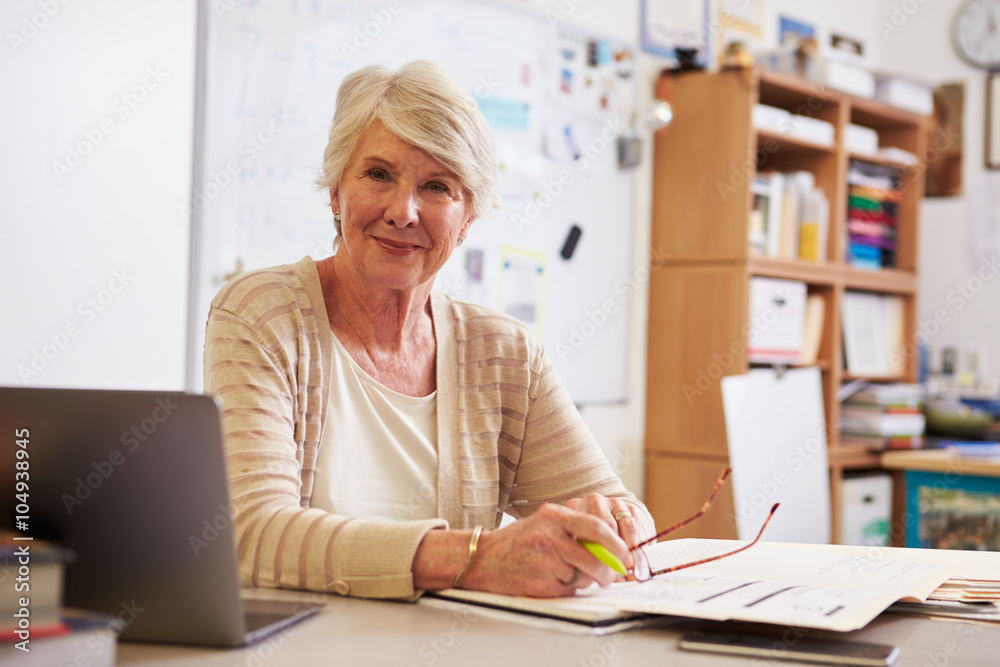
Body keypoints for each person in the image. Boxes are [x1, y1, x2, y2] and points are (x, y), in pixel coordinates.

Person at [204, 60, 655, 601]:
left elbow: (622, 511)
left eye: (437, 186)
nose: (404, 211)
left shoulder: (506, 355)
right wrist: (476, 558)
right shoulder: (262, 314)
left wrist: (614, 522)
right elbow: (253, 535)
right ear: (335, 191)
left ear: (467, 220)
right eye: (378, 175)